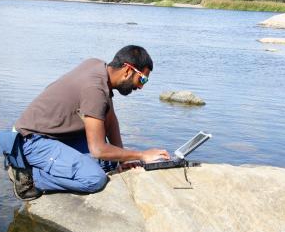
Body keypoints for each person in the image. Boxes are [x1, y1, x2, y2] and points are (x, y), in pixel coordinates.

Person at [9, 45, 170, 200]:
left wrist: (122, 159)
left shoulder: (97, 67)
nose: (141, 87)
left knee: (108, 164)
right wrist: (142, 155)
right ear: (128, 70)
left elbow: (110, 118)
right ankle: (29, 176)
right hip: (31, 140)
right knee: (95, 179)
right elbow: (98, 149)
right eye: (142, 79)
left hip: (54, 136)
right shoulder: (95, 89)